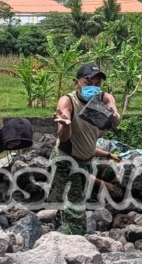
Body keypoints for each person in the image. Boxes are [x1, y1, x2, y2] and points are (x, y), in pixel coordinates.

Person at [49, 63, 122, 235]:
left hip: (86, 161)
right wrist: (65, 124)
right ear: (77, 83)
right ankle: (74, 241)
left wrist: (114, 117)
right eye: (88, 83)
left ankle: (60, 225)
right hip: (66, 161)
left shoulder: (103, 99)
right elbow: (63, 136)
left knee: (73, 199)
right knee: (76, 209)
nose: (93, 88)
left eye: (97, 84)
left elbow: (113, 112)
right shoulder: (68, 101)